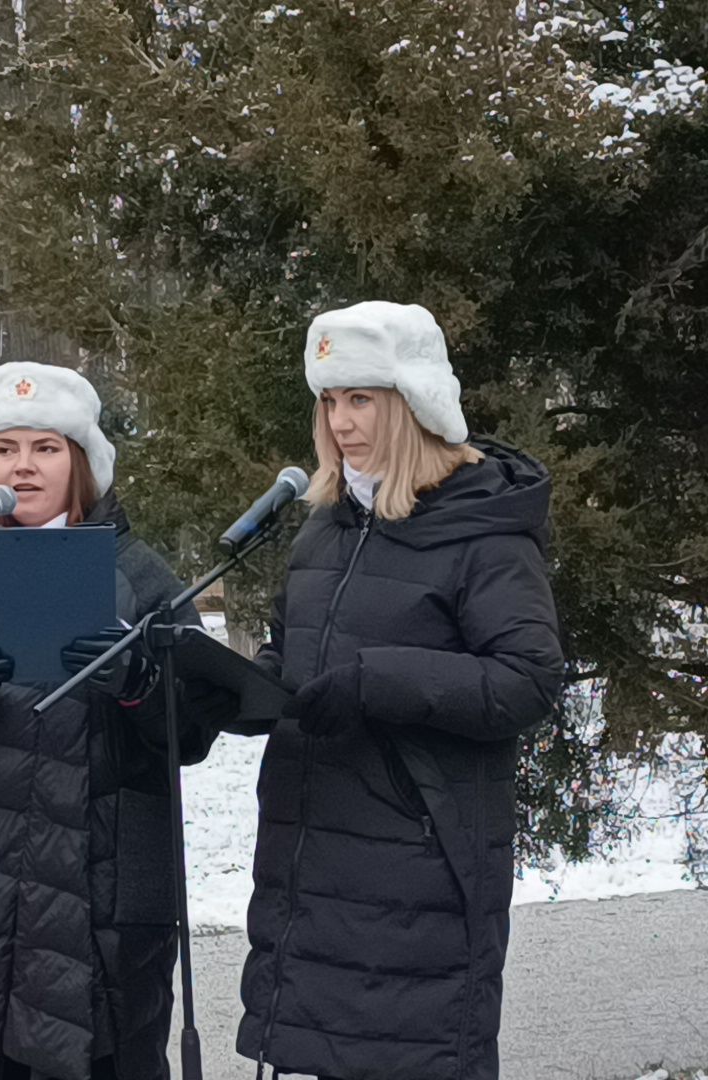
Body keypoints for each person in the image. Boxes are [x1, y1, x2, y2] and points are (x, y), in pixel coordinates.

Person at [0, 361, 227, 1080]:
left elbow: (197, 728)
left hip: (110, 908)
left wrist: (139, 683)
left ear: (82, 462)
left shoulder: (142, 575)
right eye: (5, 448)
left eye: (45, 448)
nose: (22, 467)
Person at [236, 302, 566, 1080]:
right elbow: (299, 655)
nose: (341, 422)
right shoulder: (325, 524)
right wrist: (239, 688)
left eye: (361, 399)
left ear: (413, 400)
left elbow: (526, 679)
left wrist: (376, 680)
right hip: (312, 861)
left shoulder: (483, 528)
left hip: (419, 870)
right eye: (329, 400)